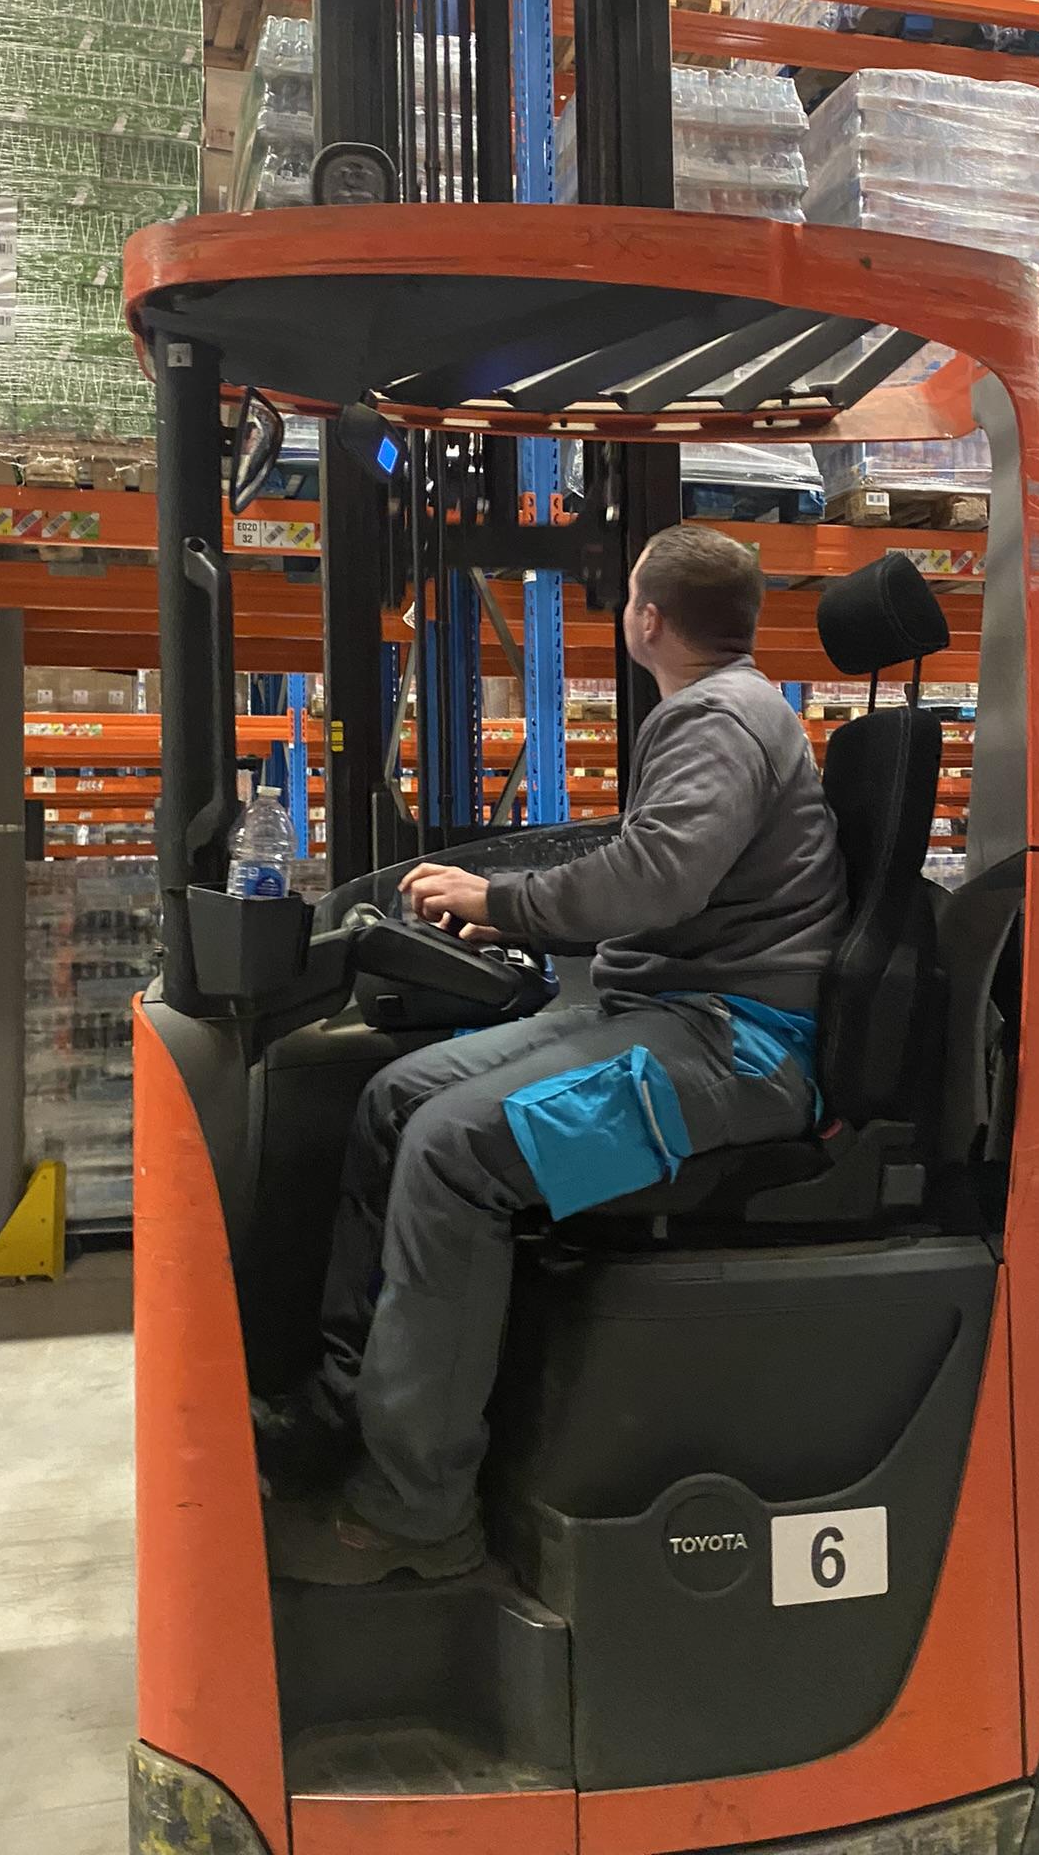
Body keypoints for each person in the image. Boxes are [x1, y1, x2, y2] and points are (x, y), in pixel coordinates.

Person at [263, 523, 848, 1584]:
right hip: (662, 1007)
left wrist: (502, 898)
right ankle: (347, 1406)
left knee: (454, 1151)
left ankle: (418, 1507)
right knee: (396, 1096)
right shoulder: (725, 709)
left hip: (736, 1043)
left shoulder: (720, 717)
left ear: (647, 618)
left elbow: (658, 875)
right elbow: (660, 881)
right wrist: (521, 918)